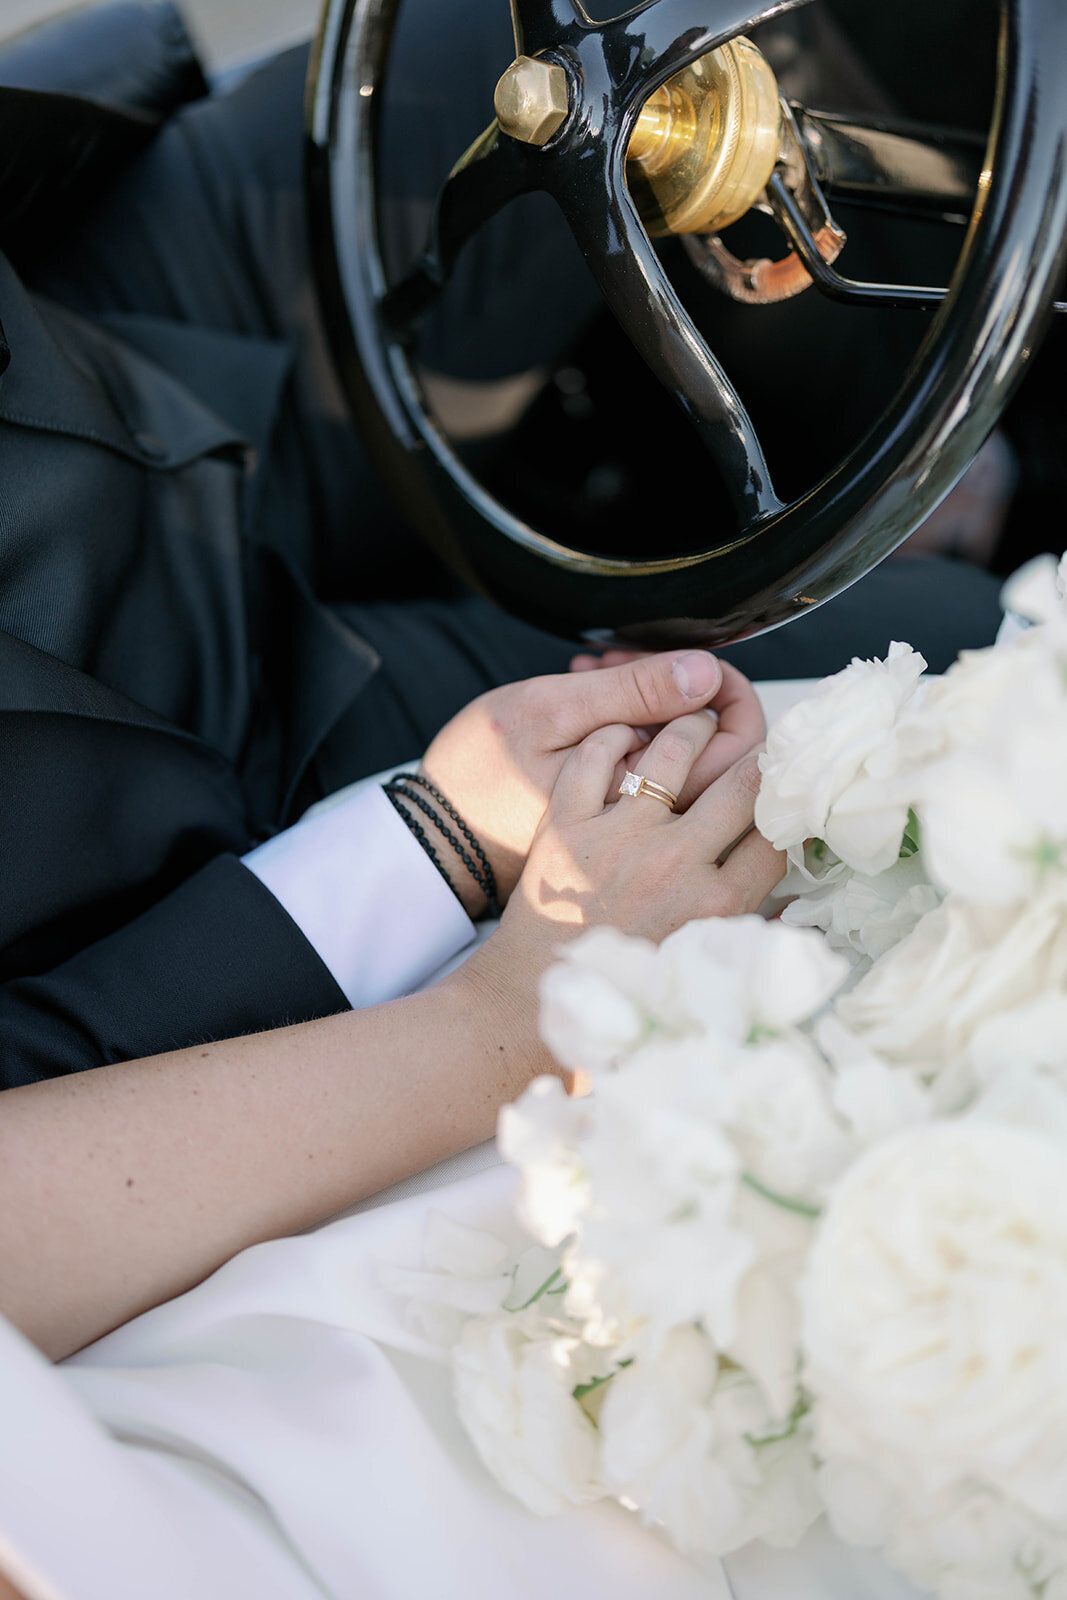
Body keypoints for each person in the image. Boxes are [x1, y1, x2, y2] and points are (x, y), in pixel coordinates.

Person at [0, 0, 1007, 1094]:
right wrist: (432, 842)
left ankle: (949, 398)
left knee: (616, 45)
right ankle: (965, 500)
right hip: (208, 809)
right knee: (948, 667)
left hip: (101, 342)